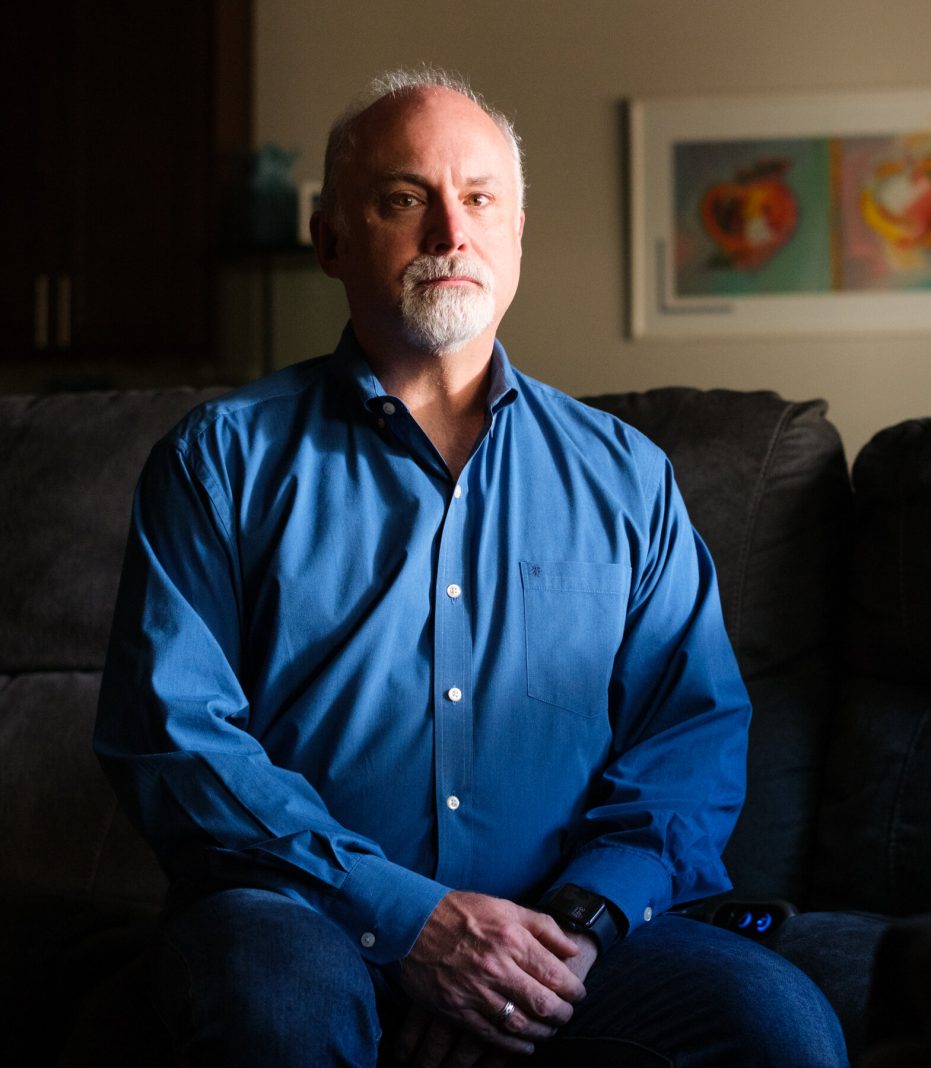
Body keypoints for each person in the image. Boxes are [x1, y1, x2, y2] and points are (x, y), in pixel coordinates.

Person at [95, 67, 847, 1067]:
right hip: (302, 915)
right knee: (280, 1006)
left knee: (777, 1025)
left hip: (563, 932)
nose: (452, 231)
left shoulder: (627, 477)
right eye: (405, 198)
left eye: (481, 199)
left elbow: (689, 735)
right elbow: (175, 738)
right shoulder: (218, 462)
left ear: (517, 233)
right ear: (330, 241)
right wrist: (413, 923)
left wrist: (565, 938)